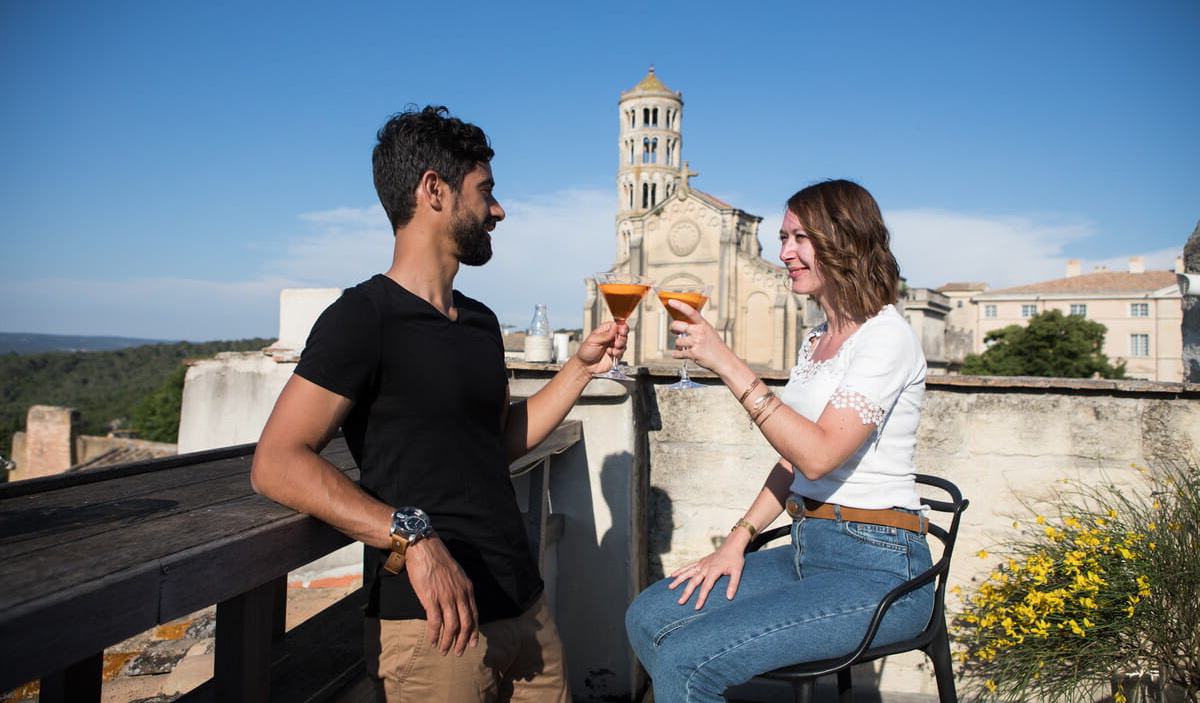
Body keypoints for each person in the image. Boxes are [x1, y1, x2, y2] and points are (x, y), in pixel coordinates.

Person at [251, 105, 628, 703]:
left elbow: (496, 442)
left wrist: (579, 369)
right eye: (485, 192)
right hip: (434, 628)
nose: (498, 210)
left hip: (523, 605)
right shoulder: (361, 319)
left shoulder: (480, 322)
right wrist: (411, 537)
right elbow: (276, 462)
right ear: (434, 190)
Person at [624, 179, 932, 703]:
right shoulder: (817, 340)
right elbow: (794, 461)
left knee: (688, 661)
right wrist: (736, 541)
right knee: (648, 616)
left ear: (845, 240)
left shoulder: (886, 337)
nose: (784, 252)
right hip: (808, 547)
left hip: (881, 568)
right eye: (785, 237)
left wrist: (724, 360)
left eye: (800, 238)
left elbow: (818, 454)